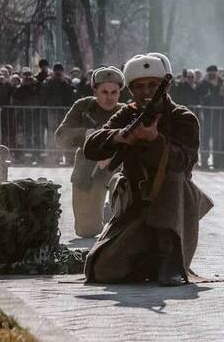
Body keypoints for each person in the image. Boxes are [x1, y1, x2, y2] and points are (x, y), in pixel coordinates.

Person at [83, 52, 213, 286]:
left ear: (165, 86)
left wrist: (155, 140)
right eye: (139, 86)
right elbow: (91, 148)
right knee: (102, 270)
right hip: (137, 205)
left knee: (172, 179)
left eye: (153, 85)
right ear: (131, 90)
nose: (146, 91)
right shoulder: (128, 114)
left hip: (173, 206)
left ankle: (170, 259)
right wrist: (119, 137)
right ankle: (147, 262)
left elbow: (182, 162)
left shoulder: (183, 118)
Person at [55, 67, 126, 238]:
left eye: (114, 92)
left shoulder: (126, 110)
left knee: (128, 224)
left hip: (119, 168)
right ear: (95, 91)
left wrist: (114, 155)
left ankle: (115, 210)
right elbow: (60, 136)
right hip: (88, 171)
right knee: (87, 230)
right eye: (104, 92)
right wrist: (85, 134)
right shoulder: (83, 106)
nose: (109, 97)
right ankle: (104, 214)